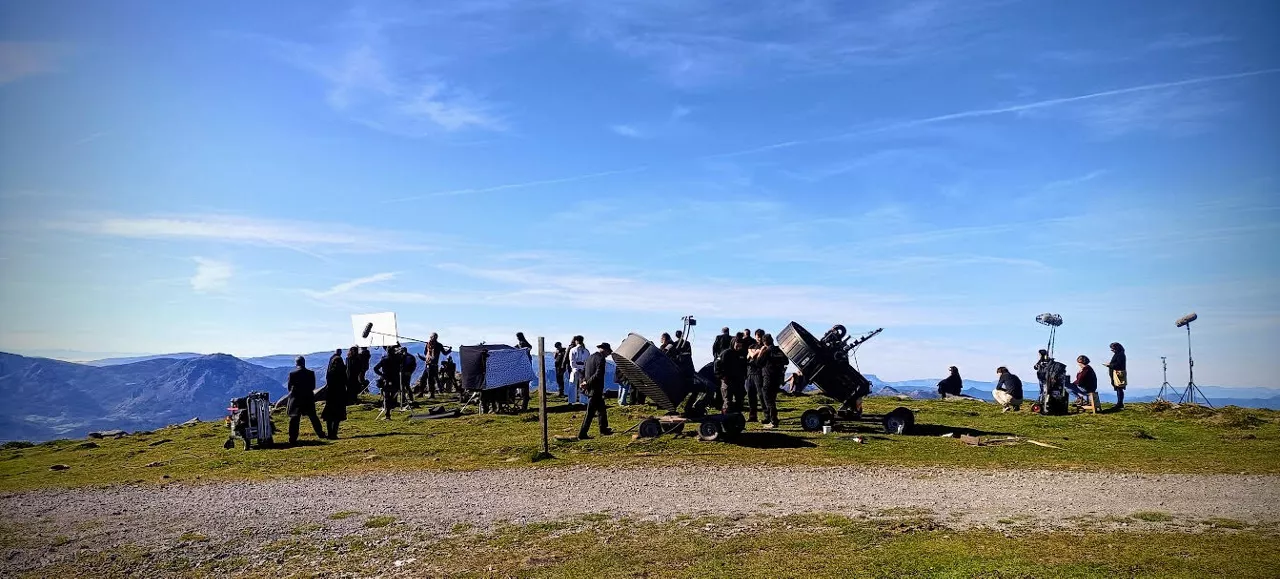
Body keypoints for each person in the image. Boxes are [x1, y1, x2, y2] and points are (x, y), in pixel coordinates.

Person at [577, 342, 614, 439]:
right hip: (595, 388)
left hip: (590, 388)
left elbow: (582, 372)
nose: (608, 355)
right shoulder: (601, 359)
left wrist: (583, 382)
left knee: (602, 408)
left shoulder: (590, 357)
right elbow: (598, 374)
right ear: (604, 350)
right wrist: (587, 383)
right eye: (608, 352)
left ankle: (604, 429)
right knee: (590, 413)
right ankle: (582, 433)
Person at [286, 356, 325, 443]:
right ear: (304, 362)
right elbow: (313, 387)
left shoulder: (292, 374)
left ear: (296, 363)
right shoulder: (310, 373)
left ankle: (292, 438)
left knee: (294, 419)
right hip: (308, 398)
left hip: (296, 399)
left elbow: (289, 388)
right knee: (313, 417)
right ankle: (320, 433)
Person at [759, 334, 788, 428]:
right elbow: (786, 361)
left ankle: (773, 421)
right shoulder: (779, 350)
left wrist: (761, 352)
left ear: (764, 342)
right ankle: (772, 419)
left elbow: (758, 363)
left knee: (768, 400)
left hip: (768, 377)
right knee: (772, 399)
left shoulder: (767, 351)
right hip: (777, 377)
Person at [716, 338, 748, 414]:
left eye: (740, 346)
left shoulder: (742, 353)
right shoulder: (725, 353)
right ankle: (725, 418)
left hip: (739, 380)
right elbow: (717, 364)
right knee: (727, 401)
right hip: (727, 380)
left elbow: (745, 366)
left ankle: (737, 418)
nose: (738, 347)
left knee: (739, 400)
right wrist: (721, 376)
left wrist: (745, 375)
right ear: (733, 343)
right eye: (737, 345)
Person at [321, 349, 347, 439]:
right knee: (337, 415)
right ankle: (334, 433)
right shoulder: (341, 368)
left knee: (329, 414)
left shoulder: (330, 369)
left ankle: (330, 433)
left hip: (331, 393)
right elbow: (345, 379)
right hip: (339, 393)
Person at [373, 345, 400, 420]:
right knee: (393, 396)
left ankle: (387, 414)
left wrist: (381, 374)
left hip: (386, 380)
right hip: (395, 380)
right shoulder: (397, 359)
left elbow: (375, 368)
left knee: (387, 397)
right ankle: (389, 410)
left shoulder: (384, 360)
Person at [744, 330, 765, 422]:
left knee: (761, 395)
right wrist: (756, 352)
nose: (759, 338)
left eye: (761, 336)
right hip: (750, 373)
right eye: (758, 336)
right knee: (750, 395)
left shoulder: (765, 347)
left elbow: (752, 355)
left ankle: (767, 416)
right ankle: (753, 416)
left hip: (759, 373)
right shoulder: (752, 346)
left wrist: (754, 353)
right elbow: (749, 356)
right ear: (755, 336)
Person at [418, 333, 445, 398]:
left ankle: (431, 394)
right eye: (431, 337)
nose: (430, 338)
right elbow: (425, 353)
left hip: (433, 365)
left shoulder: (439, 345)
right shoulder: (428, 344)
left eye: (432, 337)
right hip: (428, 364)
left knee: (430, 380)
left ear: (435, 337)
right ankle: (421, 392)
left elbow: (445, 353)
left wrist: (449, 350)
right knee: (423, 379)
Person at [1103, 342, 1127, 410]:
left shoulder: (1120, 355)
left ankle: (1120, 403)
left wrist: (1109, 365)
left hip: (1118, 373)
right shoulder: (1119, 354)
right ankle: (1119, 403)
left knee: (1119, 388)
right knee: (1118, 388)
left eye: (1113, 349)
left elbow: (1118, 365)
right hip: (1116, 373)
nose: (1112, 350)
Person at [568, 335, 590, 404]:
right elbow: (587, 362)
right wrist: (583, 368)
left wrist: (576, 368)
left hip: (575, 369)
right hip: (583, 370)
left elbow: (571, 361)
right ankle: (583, 401)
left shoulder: (573, 350)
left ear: (576, 341)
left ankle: (572, 401)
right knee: (583, 385)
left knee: (572, 385)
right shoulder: (586, 351)